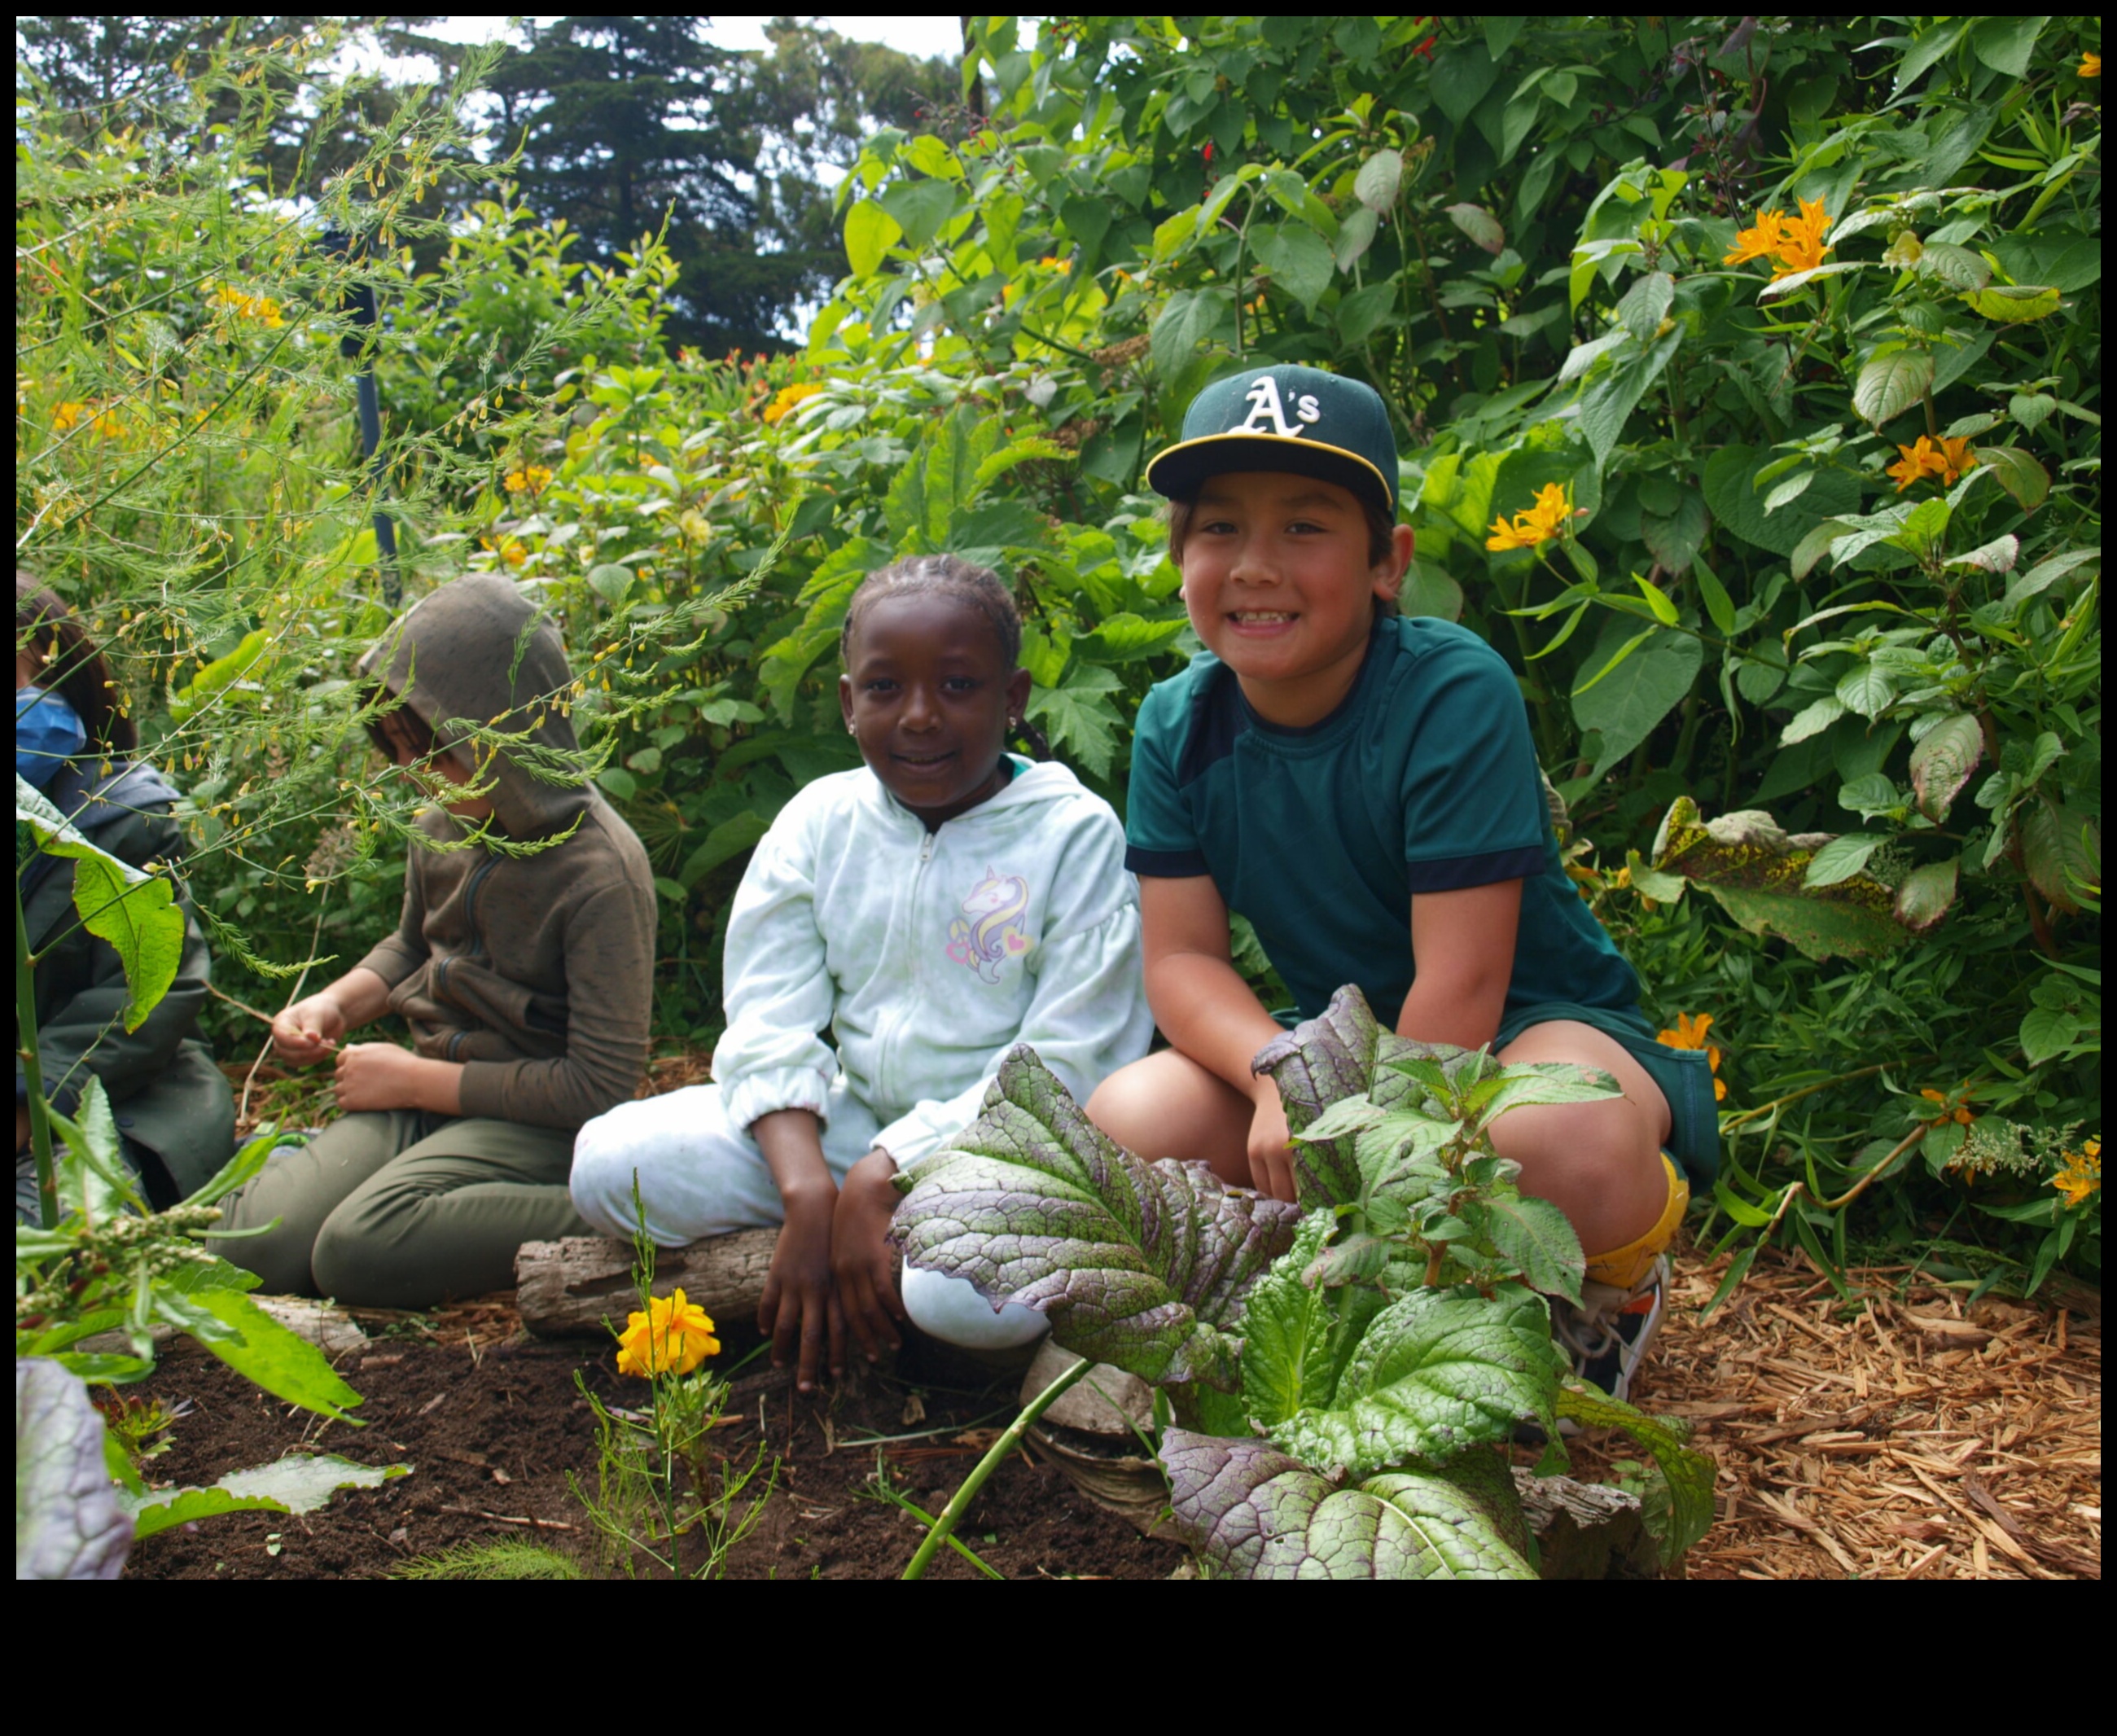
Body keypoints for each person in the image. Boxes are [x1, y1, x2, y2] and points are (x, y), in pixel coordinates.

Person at [1085, 365, 1718, 1401]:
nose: (1254, 565)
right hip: (1336, 1046)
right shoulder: (1176, 723)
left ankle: (1601, 1293)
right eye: (1218, 528)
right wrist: (1282, 1075)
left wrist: (1348, 1126)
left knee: (1556, 1132)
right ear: (1177, 556)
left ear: (1388, 563)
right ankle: (1286, 1310)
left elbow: (1462, 986)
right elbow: (1183, 959)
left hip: (1525, 1031)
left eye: (1303, 527)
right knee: (1131, 1116)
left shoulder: (1448, 691)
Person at [571, 555, 1154, 1392]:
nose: (919, 715)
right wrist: (809, 1190)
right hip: (848, 1128)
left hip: (1000, 1153)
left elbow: (1072, 1060)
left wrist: (891, 1170)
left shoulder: (1073, 835)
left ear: (1013, 697)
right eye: (884, 687)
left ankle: (923, 1289)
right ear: (848, 703)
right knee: (608, 1163)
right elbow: (768, 1021)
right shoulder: (820, 822)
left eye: (958, 685)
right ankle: (856, 1243)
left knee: (962, 1299)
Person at [216, 574, 656, 1307]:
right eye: (399, 752)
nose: (416, 776)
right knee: (248, 1248)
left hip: (535, 1123)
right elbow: (412, 948)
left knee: (357, 1250)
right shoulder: (442, 824)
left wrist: (413, 1082)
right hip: (423, 1095)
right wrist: (334, 1005)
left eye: (436, 753)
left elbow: (596, 1086)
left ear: (509, 731)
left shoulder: (601, 873)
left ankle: (639, 1212)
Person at [15, 576, 235, 1221]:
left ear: (66, 684)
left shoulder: (124, 815)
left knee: (48, 1238)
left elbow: (148, 995)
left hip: (116, 1108)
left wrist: (28, 1100)